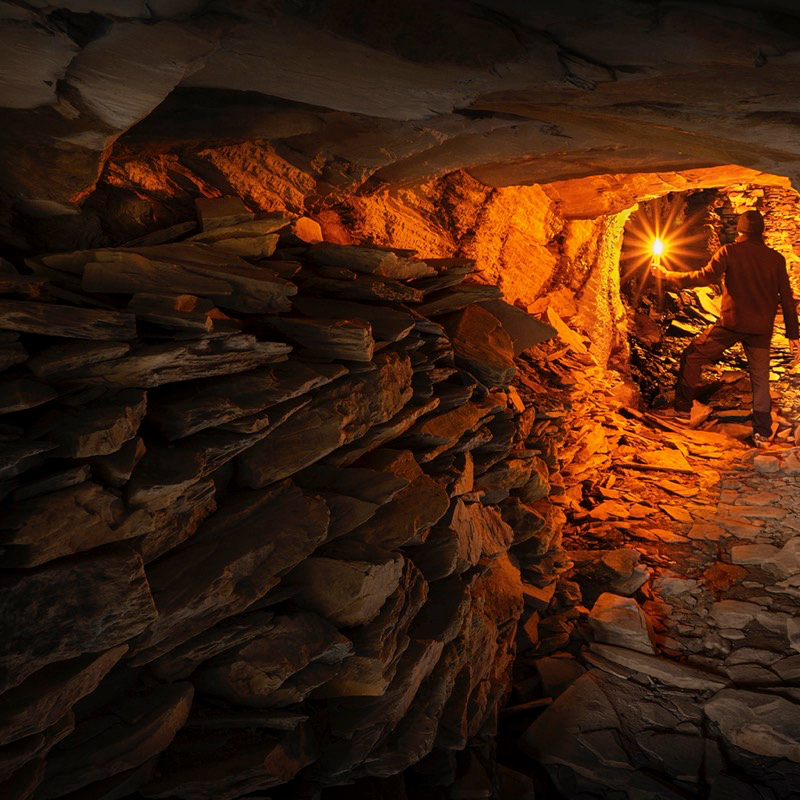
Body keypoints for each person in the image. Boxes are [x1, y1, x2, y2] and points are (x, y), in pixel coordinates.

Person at [651, 209, 800, 446]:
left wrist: (668, 275)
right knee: (760, 378)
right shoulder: (776, 259)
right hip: (761, 328)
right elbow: (787, 298)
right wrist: (794, 335)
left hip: (732, 324)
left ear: (740, 230)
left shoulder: (729, 251)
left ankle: (681, 410)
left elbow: (704, 277)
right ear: (761, 232)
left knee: (693, 355)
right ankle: (762, 432)